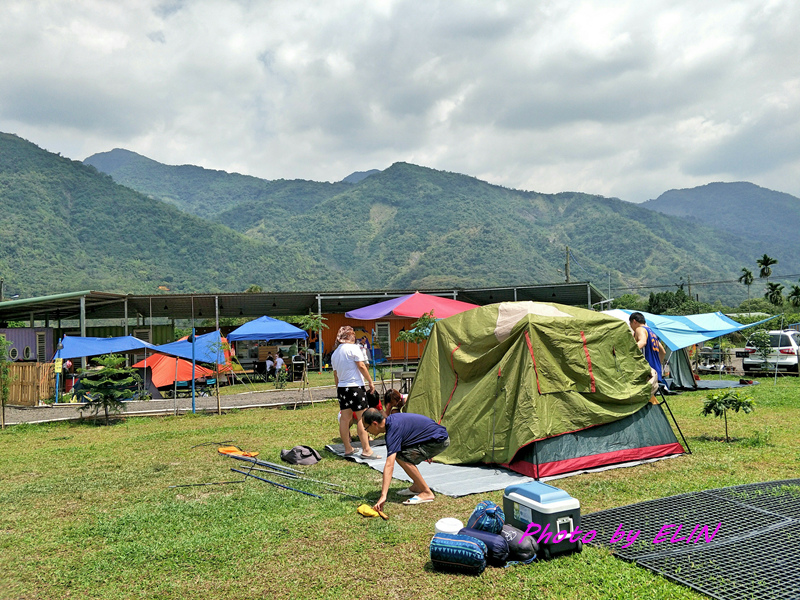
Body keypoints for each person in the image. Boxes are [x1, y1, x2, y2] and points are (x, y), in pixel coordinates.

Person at [363, 408, 449, 509]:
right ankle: (417, 486)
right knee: (401, 451)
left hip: (439, 440)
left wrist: (383, 496)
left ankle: (426, 492)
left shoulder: (392, 430)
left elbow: (389, 465)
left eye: (366, 428)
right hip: (435, 436)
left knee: (401, 457)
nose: (367, 431)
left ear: (374, 424)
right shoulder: (392, 421)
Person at [331, 326, 379, 459]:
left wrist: (338, 388)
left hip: (342, 388)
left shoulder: (335, 353)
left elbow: (336, 374)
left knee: (345, 419)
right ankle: (366, 449)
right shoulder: (354, 348)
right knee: (361, 418)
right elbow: (361, 366)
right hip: (355, 387)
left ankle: (348, 448)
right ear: (350, 336)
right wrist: (370, 381)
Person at [629, 312, 667, 386]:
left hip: (647, 371)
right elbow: (663, 351)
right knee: (650, 396)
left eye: (630, 324)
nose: (631, 327)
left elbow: (642, 342)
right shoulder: (651, 332)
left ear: (634, 321)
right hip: (656, 371)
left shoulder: (640, 329)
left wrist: (628, 350)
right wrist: (658, 365)